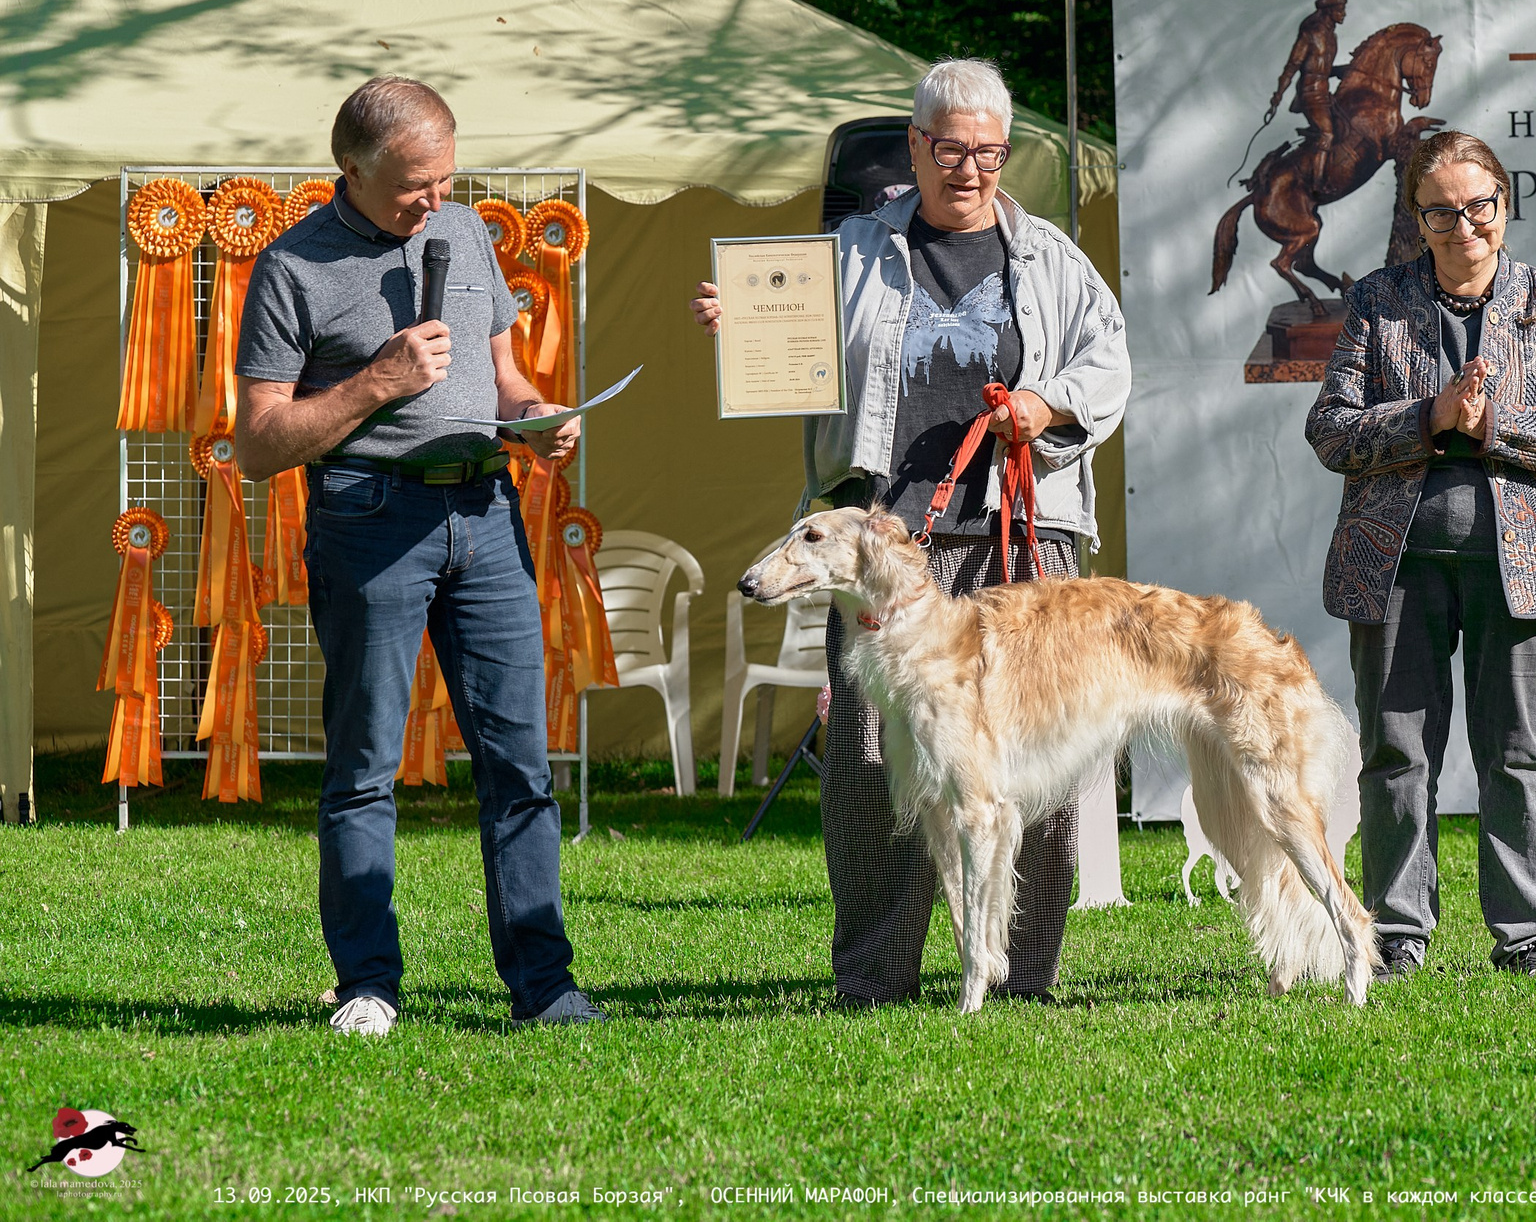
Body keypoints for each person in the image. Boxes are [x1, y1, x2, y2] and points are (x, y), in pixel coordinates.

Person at [692, 58, 1129, 1007]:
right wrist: (746, 325)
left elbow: (1110, 358)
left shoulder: (1050, 255)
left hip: (1021, 536)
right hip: (885, 549)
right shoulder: (850, 248)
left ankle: (1021, 977)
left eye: (989, 151)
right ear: (917, 146)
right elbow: (788, 339)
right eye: (950, 149)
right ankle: (874, 979)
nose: (970, 168)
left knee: (1037, 773)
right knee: (869, 765)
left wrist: (1048, 405)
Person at [233, 76, 601, 1035]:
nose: (432, 201)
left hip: (486, 513)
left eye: (444, 178)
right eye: (411, 186)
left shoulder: (470, 231)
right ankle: (368, 985)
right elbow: (261, 444)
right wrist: (374, 385)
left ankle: (544, 987)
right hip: (367, 519)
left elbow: (508, 377)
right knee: (363, 764)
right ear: (347, 170)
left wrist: (535, 422)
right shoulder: (290, 267)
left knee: (520, 763)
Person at [1305, 130, 1536, 981]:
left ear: (1504, 206)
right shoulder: (1377, 302)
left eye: (1478, 207)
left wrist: (1495, 426)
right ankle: (1399, 930)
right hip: (1394, 559)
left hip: (1526, 564)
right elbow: (1328, 430)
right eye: (1441, 211)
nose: (1462, 226)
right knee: (1397, 752)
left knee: (1519, 752)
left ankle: (1524, 933)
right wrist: (1427, 418)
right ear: (1417, 218)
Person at [1269, 0, 1349, 172]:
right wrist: (1278, 94)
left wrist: (1341, 70)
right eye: (1340, 10)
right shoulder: (1310, 34)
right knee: (1327, 134)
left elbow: (1323, 70)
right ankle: (1317, 182)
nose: (1344, 14)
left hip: (1324, 92)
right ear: (1329, 11)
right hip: (1310, 93)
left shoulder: (1332, 37)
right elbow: (1293, 65)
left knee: (1344, 128)